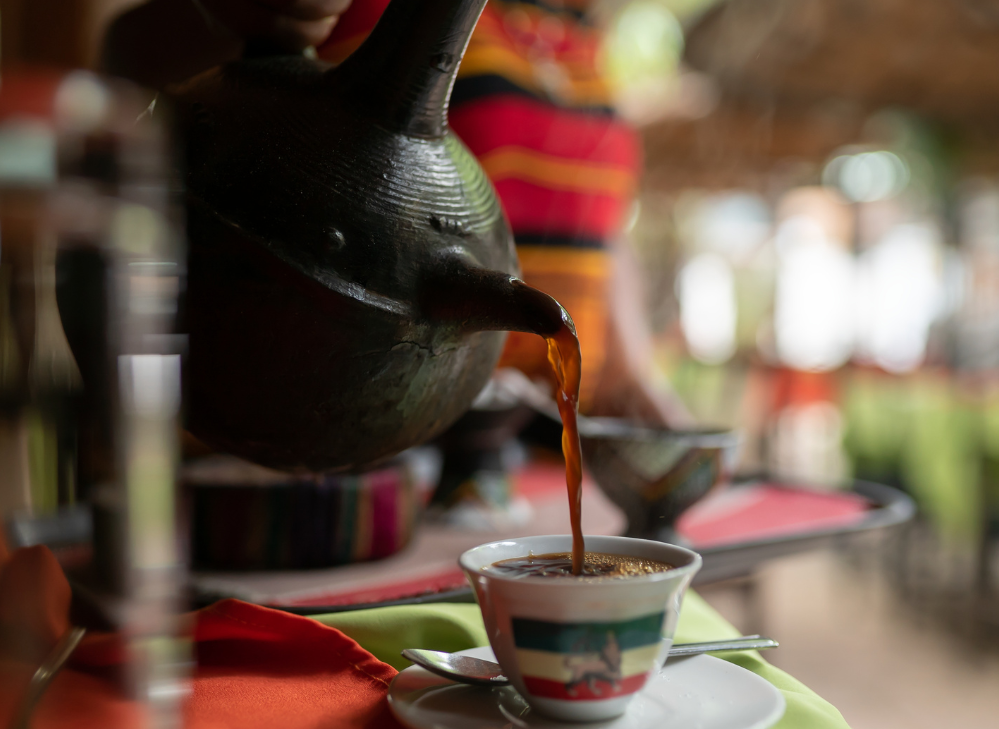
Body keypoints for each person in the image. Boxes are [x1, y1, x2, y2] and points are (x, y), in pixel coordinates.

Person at [103, 0, 687, 427]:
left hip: (532, 438)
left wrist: (632, 368)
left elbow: (600, 224)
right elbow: (137, 53)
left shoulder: (578, 27)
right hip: (368, 419)